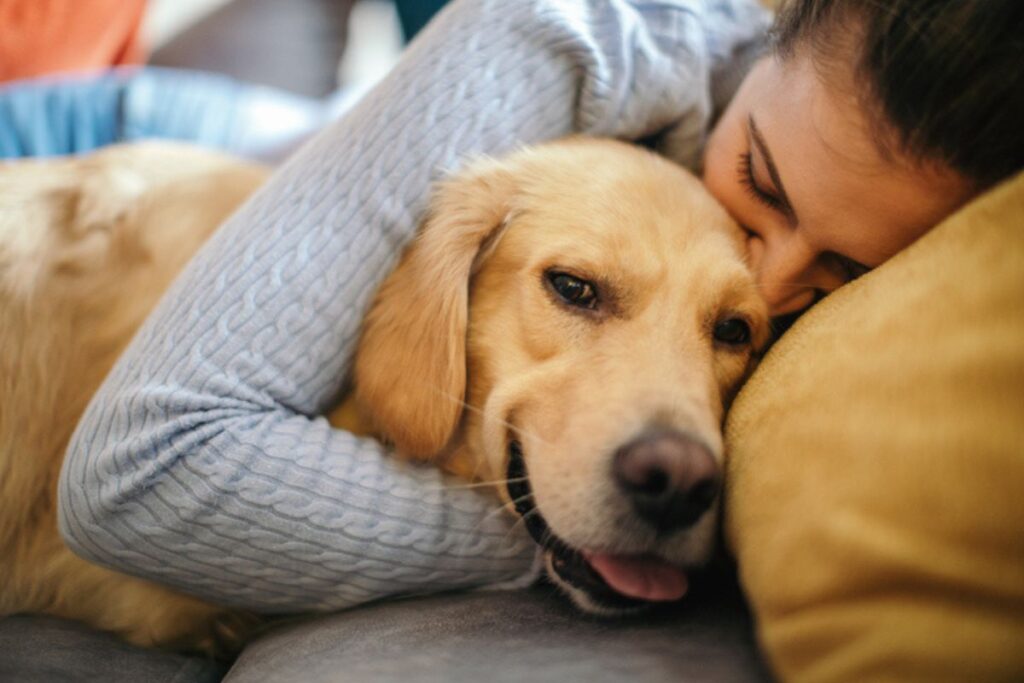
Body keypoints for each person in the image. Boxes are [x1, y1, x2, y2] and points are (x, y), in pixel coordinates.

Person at [58, 0, 1023, 615]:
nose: (770, 291)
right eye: (759, 183)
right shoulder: (559, 31)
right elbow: (141, 473)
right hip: (121, 123)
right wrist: (538, 522)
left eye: (846, 267)